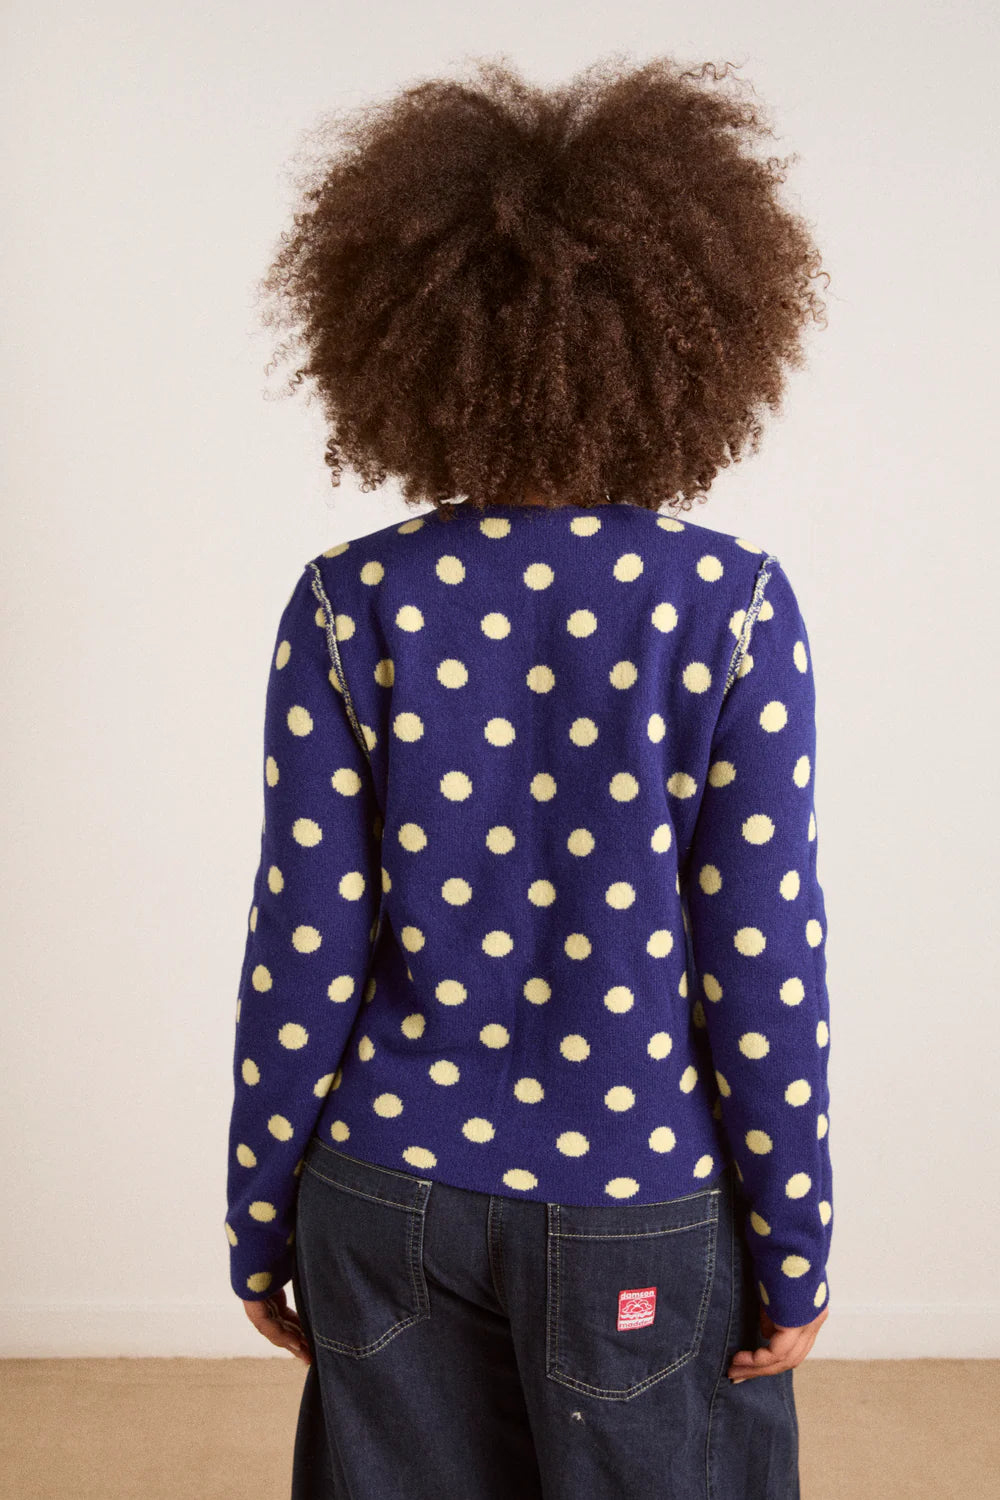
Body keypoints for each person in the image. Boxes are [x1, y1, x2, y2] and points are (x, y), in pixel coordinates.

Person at [223, 53, 833, 1499]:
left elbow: (301, 945)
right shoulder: (729, 606)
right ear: (695, 343)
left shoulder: (349, 602)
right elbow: (760, 960)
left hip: (382, 1191)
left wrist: (258, 1217)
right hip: (637, 1200)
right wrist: (796, 1240)